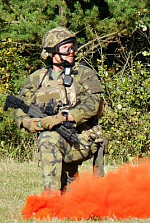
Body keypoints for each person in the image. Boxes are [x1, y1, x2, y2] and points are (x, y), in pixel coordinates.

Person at [14, 27, 106, 194]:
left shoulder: (84, 74)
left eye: (72, 47)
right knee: (49, 137)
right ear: (51, 52)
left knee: (48, 137)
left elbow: (94, 104)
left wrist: (64, 117)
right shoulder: (37, 78)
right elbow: (20, 106)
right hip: (57, 140)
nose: (71, 52)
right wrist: (28, 122)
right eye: (66, 48)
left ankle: (53, 199)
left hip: (82, 139)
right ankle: (58, 195)